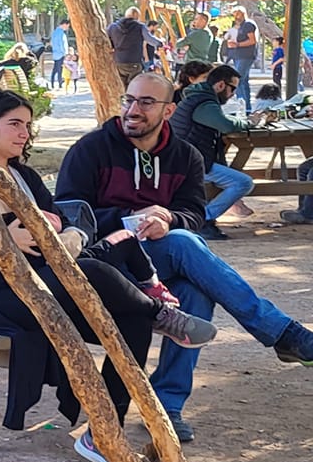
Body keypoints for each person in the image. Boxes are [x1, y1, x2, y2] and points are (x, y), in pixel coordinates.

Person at [0, 89, 213, 462]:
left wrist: (68, 233)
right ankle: (159, 312)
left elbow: (63, 223)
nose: (24, 133)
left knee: (131, 321)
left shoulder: (25, 176)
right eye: (14, 124)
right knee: (94, 273)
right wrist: (1, 238)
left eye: (27, 125)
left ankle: (103, 435)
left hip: (47, 282)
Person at [55, 69, 313, 440]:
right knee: (182, 244)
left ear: (168, 110)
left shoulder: (185, 156)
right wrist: (130, 218)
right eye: (129, 100)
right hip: (105, 261)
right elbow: (68, 211)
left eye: (146, 102)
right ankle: (283, 333)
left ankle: (167, 406)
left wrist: (168, 218)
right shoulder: (91, 149)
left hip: (155, 256)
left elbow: (194, 214)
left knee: (195, 291)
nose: (133, 110)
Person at [173, 63, 254, 233]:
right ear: (221, 85)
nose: (233, 94)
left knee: (230, 177)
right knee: (243, 182)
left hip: (184, 158)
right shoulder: (205, 103)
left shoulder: (199, 97)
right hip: (187, 162)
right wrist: (249, 123)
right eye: (233, 88)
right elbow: (226, 125)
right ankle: (204, 218)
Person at [106, 6, 163, 86]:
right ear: (137, 17)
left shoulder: (113, 27)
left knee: (122, 87)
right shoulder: (140, 27)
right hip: (134, 62)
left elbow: (106, 40)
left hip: (119, 62)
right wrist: (160, 43)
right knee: (134, 87)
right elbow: (150, 39)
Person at [222, 7, 259, 85]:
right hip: (237, 55)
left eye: (238, 14)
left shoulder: (248, 24)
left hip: (245, 55)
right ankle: (244, 93)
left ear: (243, 14)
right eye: (234, 15)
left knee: (238, 79)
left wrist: (238, 44)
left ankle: (239, 93)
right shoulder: (237, 25)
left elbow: (252, 40)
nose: (236, 17)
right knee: (244, 80)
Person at [48, 20, 68, 90]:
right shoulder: (61, 33)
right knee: (60, 69)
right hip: (61, 54)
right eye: (67, 26)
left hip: (55, 53)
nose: (67, 28)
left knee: (55, 69)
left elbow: (52, 43)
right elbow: (62, 44)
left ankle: (52, 83)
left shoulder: (54, 32)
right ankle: (60, 84)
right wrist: (65, 53)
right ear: (64, 24)